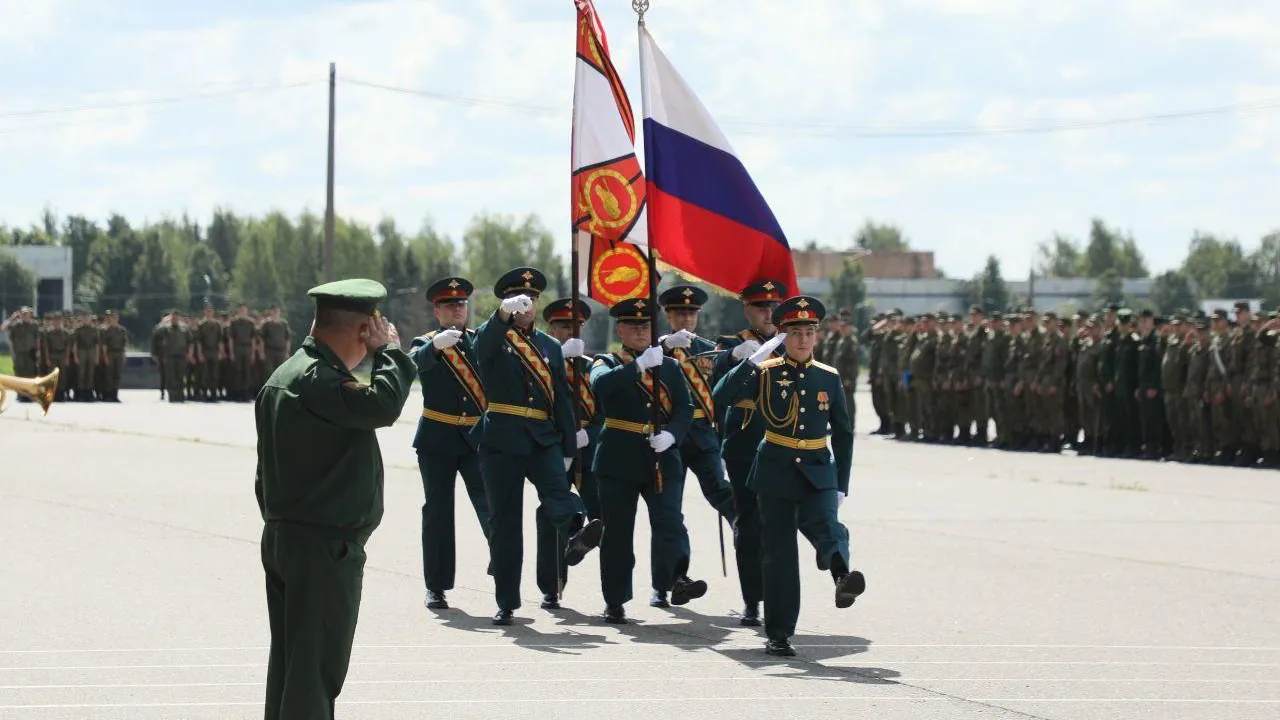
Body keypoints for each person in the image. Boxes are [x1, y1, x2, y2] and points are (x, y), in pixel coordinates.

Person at [255, 278, 416, 720]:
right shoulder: (318, 380)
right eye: (375, 328)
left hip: (288, 537)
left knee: (292, 667)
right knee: (314, 671)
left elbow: (262, 475)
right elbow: (382, 405)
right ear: (365, 330)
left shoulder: (284, 376)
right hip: (323, 547)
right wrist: (392, 355)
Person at [712, 295, 865, 657]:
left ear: (817, 336)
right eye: (795, 333)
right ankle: (779, 634)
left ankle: (842, 574)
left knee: (826, 523)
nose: (803, 340)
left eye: (809, 332)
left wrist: (841, 483)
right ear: (782, 337)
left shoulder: (828, 377)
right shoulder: (765, 373)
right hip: (775, 469)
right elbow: (722, 396)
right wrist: (751, 361)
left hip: (817, 466)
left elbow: (842, 432)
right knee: (778, 555)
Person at [472, 266, 604, 625]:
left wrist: (566, 443)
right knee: (505, 522)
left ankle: (577, 532)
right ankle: (507, 601)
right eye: (519, 299)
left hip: (543, 436)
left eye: (531, 300)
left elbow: (561, 396)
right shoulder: (495, 336)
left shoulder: (548, 346)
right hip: (502, 436)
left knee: (558, 491)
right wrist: (500, 314)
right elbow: (481, 347)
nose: (526, 305)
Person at [590, 297, 707, 622]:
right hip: (619, 457)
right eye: (634, 326)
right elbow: (601, 387)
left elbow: (685, 408)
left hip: (662, 457)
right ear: (621, 329)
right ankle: (615, 599)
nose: (641, 331)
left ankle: (679, 577)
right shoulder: (606, 361)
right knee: (617, 534)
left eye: (646, 326)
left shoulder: (669, 366)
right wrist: (638, 367)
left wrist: (673, 435)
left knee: (670, 521)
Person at [407, 276, 492, 611]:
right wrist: (436, 346)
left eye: (461, 304)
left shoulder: (478, 341)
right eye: (450, 305)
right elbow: (414, 363)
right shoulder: (426, 341)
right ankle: (437, 586)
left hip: (475, 438)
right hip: (437, 439)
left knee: (490, 503)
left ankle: (501, 559)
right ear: (437, 310)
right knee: (438, 512)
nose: (457, 309)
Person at [711, 279, 787, 627]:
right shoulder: (732, 345)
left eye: (773, 306)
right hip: (744, 444)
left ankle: (778, 595)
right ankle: (753, 599)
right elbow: (718, 387)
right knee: (751, 525)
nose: (768, 313)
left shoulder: (793, 344)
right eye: (760, 307)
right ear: (747, 310)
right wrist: (732, 357)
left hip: (784, 443)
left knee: (781, 524)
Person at [540, 297, 602, 609]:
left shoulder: (594, 368)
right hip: (554, 450)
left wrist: (586, 435)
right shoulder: (541, 365)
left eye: (576, 327)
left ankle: (613, 598)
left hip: (588, 452)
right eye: (563, 326)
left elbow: (605, 415)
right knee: (552, 513)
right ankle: (551, 586)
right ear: (550, 329)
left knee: (602, 518)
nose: (570, 332)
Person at [657, 284, 737, 529]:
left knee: (721, 489)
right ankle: (676, 564)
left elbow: (720, 397)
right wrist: (667, 344)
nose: (687, 318)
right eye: (680, 313)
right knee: (669, 503)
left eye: (692, 313)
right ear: (668, 315)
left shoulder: (708, 349)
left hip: (703, 432)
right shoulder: (658, 347)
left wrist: (723, 438)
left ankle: (743, 527)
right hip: (670, 434)